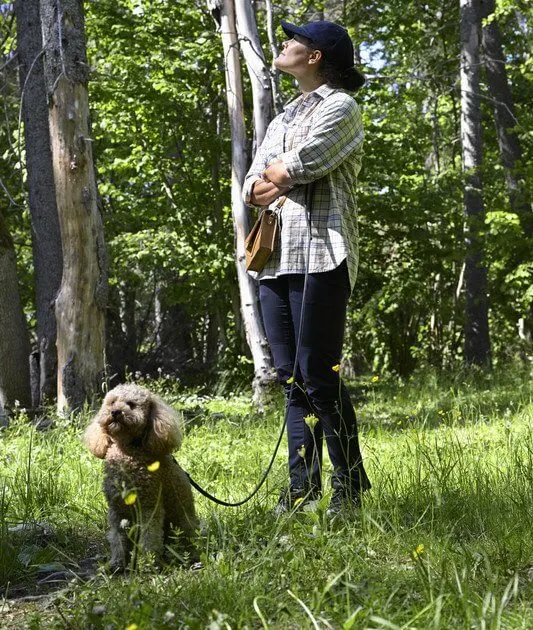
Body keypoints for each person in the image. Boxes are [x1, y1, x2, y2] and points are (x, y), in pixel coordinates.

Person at [242, 20, 371, 516]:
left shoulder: (341, 107)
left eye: (293, 40)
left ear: (315, 56)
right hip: (274, 261)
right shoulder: (283, 117)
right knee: (291, 377)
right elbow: (253, 187)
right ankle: (300, 491)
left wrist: (280, 173)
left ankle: (350, 489)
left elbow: (302, 164)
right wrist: (277, 175)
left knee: (319, 372)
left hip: (322, 254)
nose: (283, 45)